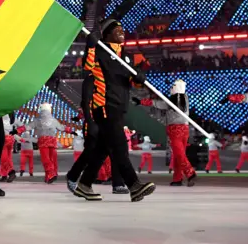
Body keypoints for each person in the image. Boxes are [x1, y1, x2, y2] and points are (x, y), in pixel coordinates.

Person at [73, 19, 155, 202]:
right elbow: (87, 67)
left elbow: (130, 81)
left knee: (102, 150)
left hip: (119, 106)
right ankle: (134, 185)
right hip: (105, 105)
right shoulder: (100, 50)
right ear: (107, 34)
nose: (122, 32)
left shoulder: (125, 56)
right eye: (117, 30)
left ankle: (84, 184)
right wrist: (91, 46)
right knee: (119, 147)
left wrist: (139, 79)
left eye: (122, 29)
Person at [136, 79, 197, 186]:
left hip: (175, 129)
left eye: (173, 87)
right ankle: (177, 179)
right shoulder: (183, 99)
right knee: (179, 154)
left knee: (179, 154)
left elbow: (158, 104)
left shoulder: (175, 99)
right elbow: (160, 103)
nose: (171, 88)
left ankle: (189, 172)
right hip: (184, 128)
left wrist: (141, 102)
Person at [17, 103, 73, 183]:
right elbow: (62, 128)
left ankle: (50, 173)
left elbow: (28, 126)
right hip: (52, 141)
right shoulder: (54, 120)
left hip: (43, 141)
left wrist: (17, 130)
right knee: (52, 158)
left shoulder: (37, 120)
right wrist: (71, 131)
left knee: (45, 159)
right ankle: (50, 176)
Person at [0, 113, 17, 182]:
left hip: (3, 137)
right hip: (9, 137)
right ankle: (4, 175)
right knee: (8, 157)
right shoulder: (10, 113)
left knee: (3, 157)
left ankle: (11, 172)